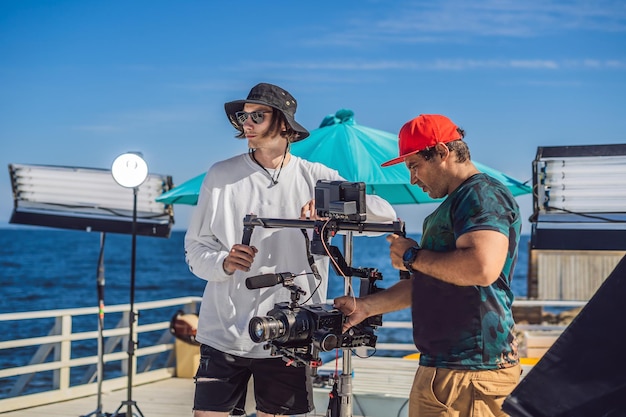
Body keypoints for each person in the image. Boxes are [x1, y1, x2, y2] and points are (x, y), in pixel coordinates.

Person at [184, 82, 396, 417]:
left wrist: (332, 208)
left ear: (283, 123)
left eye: (257, 115)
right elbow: (195, 248)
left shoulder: (317, 177)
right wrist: (223, 262)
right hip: (223, 331)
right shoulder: (220, 174)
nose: (247, 123)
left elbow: (386, 213)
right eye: (243, 115)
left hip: (291, 332)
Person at [334, 114, 522, 417]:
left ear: (443, 153)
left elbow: (481, 269)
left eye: (414, 166)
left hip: (471, 372)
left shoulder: (482, 194)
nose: (412, 179)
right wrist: (366, 307)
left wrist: (412, 256)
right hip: (445, 370)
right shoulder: (457, 202)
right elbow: (430, 282)